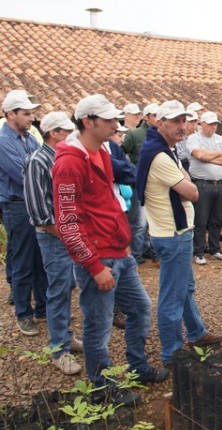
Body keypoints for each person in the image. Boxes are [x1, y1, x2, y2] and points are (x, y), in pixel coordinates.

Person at [53, 95, 168, 402]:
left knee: (140, 308)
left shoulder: (103, 149)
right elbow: (67, 223)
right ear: (87, 122)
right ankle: (102, 388)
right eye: (107, 120)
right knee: (98, 324)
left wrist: (124, 242)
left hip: (118, 252)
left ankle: (136, 366)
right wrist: (93, 265)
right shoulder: (69, 162)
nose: (116, 125)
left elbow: (108, 200)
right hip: (99, 256)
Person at [136, 100, 222, 366]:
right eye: (175, 121)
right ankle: (172, 353)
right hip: (171, 233)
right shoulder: (161, 155)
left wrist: (184, 178)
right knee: (172, 295)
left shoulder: (166, 149)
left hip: (177, 230)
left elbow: (186, 178)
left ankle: (196, 332)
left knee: (183, 287)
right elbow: (193, 192)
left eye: (184, 121)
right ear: (159, 123)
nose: (181, 126)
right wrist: (184, 180)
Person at [24, 112, 82, 374]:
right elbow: (40, 212)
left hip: (67, 234)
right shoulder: (38, 161)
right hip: (53, 236)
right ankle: (59, 349)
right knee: (58, 288)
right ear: (54, 133)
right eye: (67, 130)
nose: (72, 135)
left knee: (67, 285)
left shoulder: (63, 157)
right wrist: (68, 234)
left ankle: (66, 335)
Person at [0, 89, 48, 336]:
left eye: (32, 113)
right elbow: (24, 173)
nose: (32, 118)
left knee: (41, 259)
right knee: (22, 261)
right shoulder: (3, 141)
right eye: (27, 114)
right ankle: (23, 313)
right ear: (11, 114)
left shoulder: (29, 138)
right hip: (18, 206)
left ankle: (42, 308)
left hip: (34, 203)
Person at [186, 111, 222, 264]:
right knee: (201, 219)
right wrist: (217, 155)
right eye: (211, 124)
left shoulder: (219, 139)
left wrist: (209, 157)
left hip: (220, 183)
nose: (214, 127)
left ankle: (215, 249)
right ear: (202, 124)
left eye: (215, 124)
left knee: (216, 219)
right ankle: (198, 251)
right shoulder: (193, 138)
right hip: (202, 183)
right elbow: (199, 156)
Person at [122, 102, 159, 265]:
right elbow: (122, 154)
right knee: (140, 222)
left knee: (156, 220)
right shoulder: (135, 134)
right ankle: (136, 256)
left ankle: (152, 251)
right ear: (148, 117)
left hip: (157, 182)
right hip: (140, 183)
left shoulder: (161, 134)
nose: (158, 119)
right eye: (155, 115)